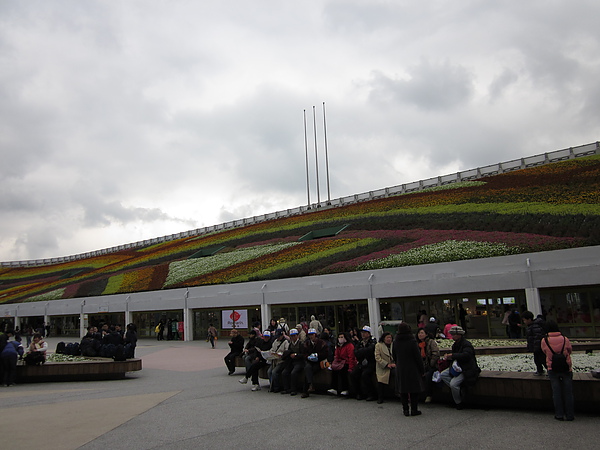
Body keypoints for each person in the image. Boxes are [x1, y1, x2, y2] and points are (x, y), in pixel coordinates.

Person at [440, 325, 481, 409]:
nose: (452, 336)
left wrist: (453, 355)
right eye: (452, 334)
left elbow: (466, 355)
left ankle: (458, 402)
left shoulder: (466, 344)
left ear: (460, 335)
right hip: (457, 368)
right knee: (443, 374)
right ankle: (459, 389)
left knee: (453, 384)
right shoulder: (455, 345)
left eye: (454, 334)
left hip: (466, 369)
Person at [541, 321, 574, 421]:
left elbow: (544, 351)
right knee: (568, 392)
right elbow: (570, 350)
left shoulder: (544, 340)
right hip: (566, 367)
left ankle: (559, 414)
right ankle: (570, 415)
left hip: (552, 368)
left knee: (556, 392)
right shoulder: (565, 339)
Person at [393, 323, 424, 416]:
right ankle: (414, 409)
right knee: (414, 390)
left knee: (403, 390)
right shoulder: (412, 341)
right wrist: (422, 369)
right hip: (412, 367)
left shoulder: (396, 341)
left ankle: (405, 409)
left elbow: (394, 354)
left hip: (401, 367)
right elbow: (417, 357)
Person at [350, 325, 377, 401]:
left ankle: (371, 394)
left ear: (369, 334)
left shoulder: (373, 341)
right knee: (353, 374)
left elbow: (370, 350)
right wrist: (363, 351)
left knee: (365, 375)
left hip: (371, 362)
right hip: (361, 362)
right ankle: (359, 393)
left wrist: (362, 351)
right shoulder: (360, 342)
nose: (363, 334)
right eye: (362, 332)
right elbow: (356, 352)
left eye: (365, 333)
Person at [300, 328, 328, 398]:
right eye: (309, 335)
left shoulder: (322, 343)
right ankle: (309, 385)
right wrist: (308, 357)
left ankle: (306, 389)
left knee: (310, 370)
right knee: (307, 368)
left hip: (319, 361)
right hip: (310, 361)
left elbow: (326, 353)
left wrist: (317, 355)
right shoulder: (307, 343)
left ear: (315, 335)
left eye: (312, 335)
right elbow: (304, 353)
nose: (311, 336)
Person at [328, 331, 357, 397]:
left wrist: (351, 367)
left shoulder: (349, 345)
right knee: (334, 371)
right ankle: (334, 388)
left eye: (342, 337)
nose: (340, 338)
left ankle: (345, 389)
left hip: (347, 363)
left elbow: (351, 357)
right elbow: (337, 356)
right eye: (339, 337)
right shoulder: (338, 346)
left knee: (343, 371)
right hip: (340, 363)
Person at [416, 328, 440, 403]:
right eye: (419, 333)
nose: (420, 335)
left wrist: (431, 364)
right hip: (420, 365)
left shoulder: (431, 342)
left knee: (428, 376)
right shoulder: (416, 344)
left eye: (422, 333)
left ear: (426, 334)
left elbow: (435, 354)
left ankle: (428, 395)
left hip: (430, 365)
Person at [280, 328, 305, 396]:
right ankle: (286, 388)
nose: (293, 337)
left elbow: (303, 354)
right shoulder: (290, 344)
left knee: (293, 373)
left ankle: (294, 389)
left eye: (294, 336)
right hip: (291, 361)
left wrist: (296, 355)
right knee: (284, 372)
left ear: (297, 336)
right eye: (292, 336)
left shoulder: (301, 344)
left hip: (299, 362)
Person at [522, 311, 547, 375]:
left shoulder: (535, 326)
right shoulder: (531, 326)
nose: (524, 322)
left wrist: (536, 347)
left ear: (529, 319)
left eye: (524, 320)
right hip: (536, 347)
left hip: (539, 347)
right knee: (537, 360)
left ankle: (548, 371)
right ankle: (540, 370)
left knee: (542, 359)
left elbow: (537, 338)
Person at [374, 332, 395, 404]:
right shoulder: (378, 345)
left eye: (390, 338)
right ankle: (380, 397)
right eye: (387, 338)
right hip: (382, 366)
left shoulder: (394, 345)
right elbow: (377, 357)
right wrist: (386, 364)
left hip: (393, 365)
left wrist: (394, 364)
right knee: (381, 380)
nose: (389, 339)